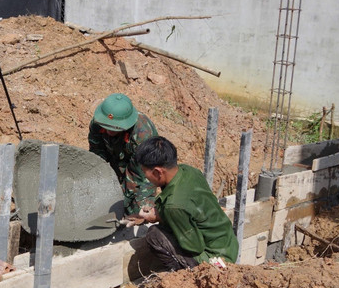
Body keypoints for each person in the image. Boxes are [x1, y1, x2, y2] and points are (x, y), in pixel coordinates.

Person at [134, 136, 238, 270]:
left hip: (215, 259)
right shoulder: (188, 171)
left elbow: (194, 247)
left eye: (144, 172)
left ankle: (183, 276)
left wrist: (162, 217)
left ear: (158, 172)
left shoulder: (174, 206)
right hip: (228, 243)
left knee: (155, 235)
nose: (145, 177)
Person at [88, 93, 158, 216]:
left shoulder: (143, 134)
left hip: (145, 171)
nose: (109, 131)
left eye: (114, 128)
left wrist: (124, 201)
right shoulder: (97, 123)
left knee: (137, 211)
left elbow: (139, 175)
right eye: (106, 126)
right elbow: (96, 152)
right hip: (117, 159)